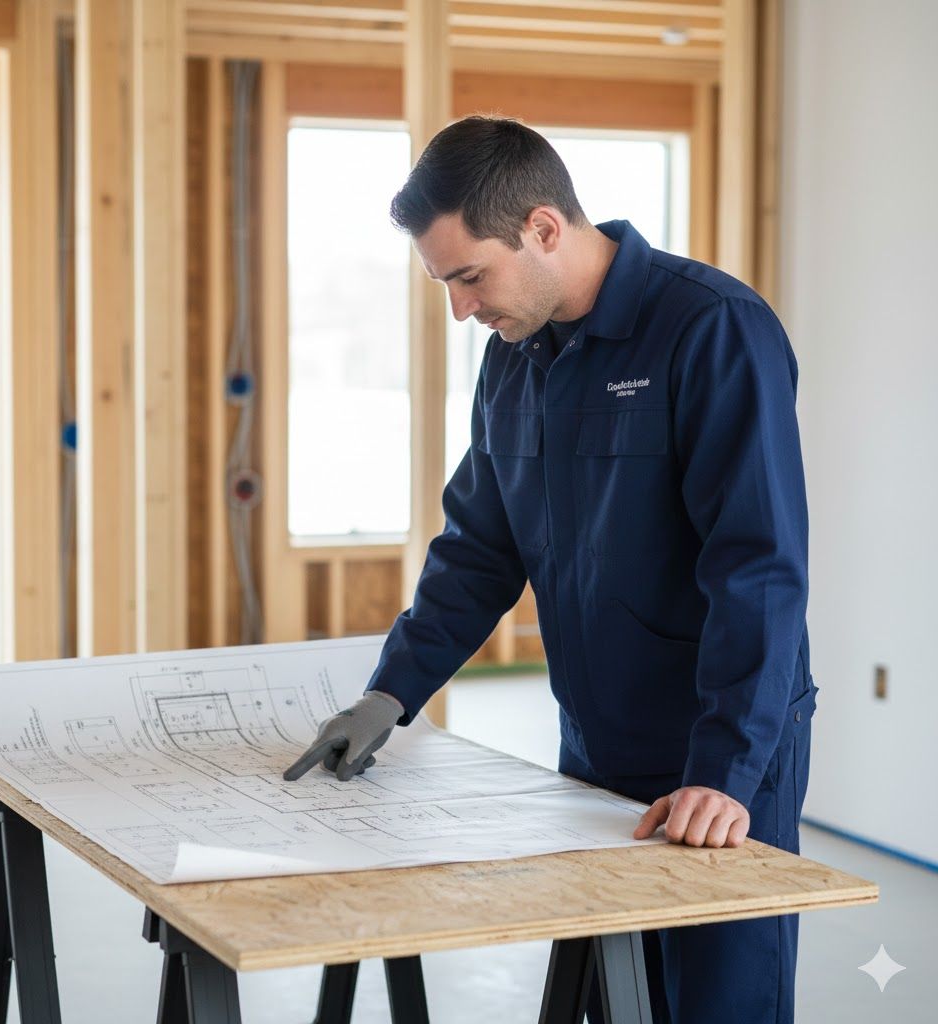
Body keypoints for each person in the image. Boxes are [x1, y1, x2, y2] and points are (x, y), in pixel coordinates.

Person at [283, 116, 816, 1024]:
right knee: (607, 999)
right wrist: (388, 695)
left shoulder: (713, 329)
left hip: (719, 747)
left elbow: (758, 568)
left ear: (542, 228)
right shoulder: (514, 361)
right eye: (444, 284)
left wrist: (725, 772)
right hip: (592, 745)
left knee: (717, 1004)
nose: (460, 308)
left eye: (469, 277)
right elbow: (478, 550)